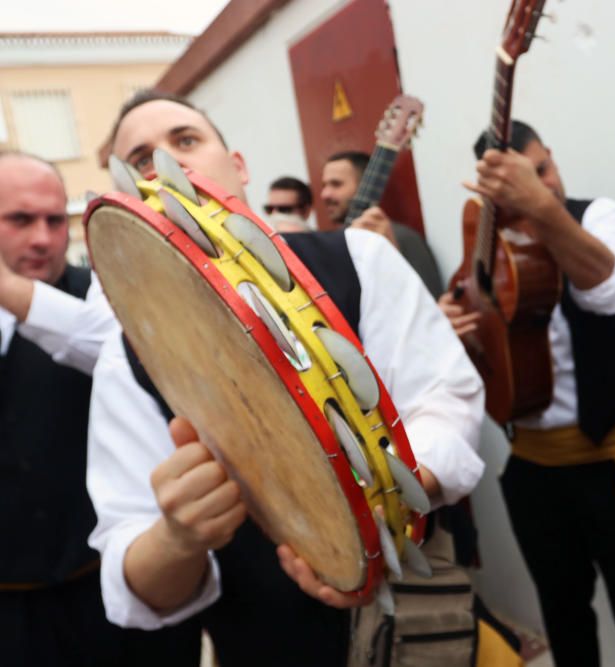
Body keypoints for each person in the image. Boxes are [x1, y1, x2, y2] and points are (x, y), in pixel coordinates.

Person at [87, 90, 485, 666]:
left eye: (186, 140)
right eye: (140, 158)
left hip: (419, 628)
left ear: (238, 167)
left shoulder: (358, 258)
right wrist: (179, 537)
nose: (166, 164)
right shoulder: (125, 356)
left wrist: (368, 506)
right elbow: (132, 576)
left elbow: (446, 399)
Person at [447, 120, 615, 667]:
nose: (542, 186)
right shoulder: (487, 241)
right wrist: (449, 320)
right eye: (521, 182)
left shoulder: (599, 217)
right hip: (532, 470)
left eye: (543, 170)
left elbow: (611, 287)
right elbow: (470, 317)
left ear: (550, 157)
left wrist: (543, 211)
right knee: (565, 622)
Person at [0, 151, 200, 665]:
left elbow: (103, 339)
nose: (43, 238)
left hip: (115, 602)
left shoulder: (109, 300)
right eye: (19, 220)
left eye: (54, 219)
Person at [321, 150, 443, 296]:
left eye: (336, 184)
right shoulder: (332, 241)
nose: (325, 194)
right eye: (324, 185)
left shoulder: (401, 237)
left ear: (364, 185)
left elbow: (431, 300)